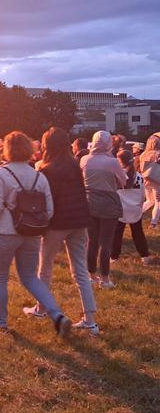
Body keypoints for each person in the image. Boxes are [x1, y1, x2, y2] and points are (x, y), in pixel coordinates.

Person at [0, 131, 72, 336]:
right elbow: (48, 211)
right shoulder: (39, 176)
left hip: (2, 232)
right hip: (31, 233)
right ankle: (57, 314)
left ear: (6, 149)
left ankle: (1, 323)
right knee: (30, 277)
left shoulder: (0, 174)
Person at [24, 127, 99, 335]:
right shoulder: (74, 166)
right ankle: (90, 320)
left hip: (57, 224)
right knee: (80, 271)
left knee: (45, 268)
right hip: (79, 221)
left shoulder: (46, 170)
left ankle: (40, 308)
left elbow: (44, 200)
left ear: (47, 145)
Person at [81, 131, 127, 289]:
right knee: (106, 243)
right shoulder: (113, 162)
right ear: (109, 143)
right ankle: (105, 279)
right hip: (109, 204)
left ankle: (91, 276)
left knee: (92, 241)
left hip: (89, 203)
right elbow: (123, 182)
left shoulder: (85, 159)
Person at [111, 150, 152, 265]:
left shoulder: (117, 176)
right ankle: (145, 256)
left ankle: (114, 256)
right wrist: (139, 207)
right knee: (138, 233)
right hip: (135, 210)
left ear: (120, 161)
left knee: (117, 234)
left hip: (120, 210)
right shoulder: (139, 177)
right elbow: (142, 195)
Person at [140, 134, 160, 228]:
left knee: (149, 201)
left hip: (146, 180)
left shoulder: (143, 155)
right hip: (157, 181)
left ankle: (136, 214)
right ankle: (153, 223)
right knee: (158, 202)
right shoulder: (158, 154)